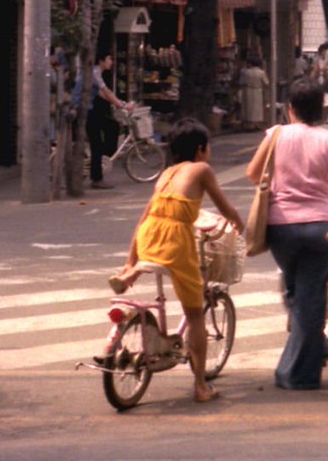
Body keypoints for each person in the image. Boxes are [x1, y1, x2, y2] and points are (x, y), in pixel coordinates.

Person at [110, 118, 245, 402]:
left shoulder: (167, 173)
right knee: (196, 316)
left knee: (152, 261)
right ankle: (200, 386)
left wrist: (128, 260)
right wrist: (241, 225)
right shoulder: (202, 169)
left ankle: (130, 274)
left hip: (149, 237)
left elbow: (146, 216)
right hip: (175, 241)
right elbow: (224, 205)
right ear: (200, 149)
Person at [244, 79, 328, 391]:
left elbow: (253, 173)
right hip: (321, 224)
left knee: (297, 291)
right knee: (309, 296)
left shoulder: (276, 134)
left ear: (290, 109)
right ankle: (302, 372)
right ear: (322, 108)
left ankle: (304, 357)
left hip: (281, 226)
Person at [72, 51, 132, 190]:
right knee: (101, 139)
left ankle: (101, 160)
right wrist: (122, 105)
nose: (111, 61)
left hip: (86, 109)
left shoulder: (93, 73)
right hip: (84, 110)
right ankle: (97, 177)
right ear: (101, 61)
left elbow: (102, 93)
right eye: (109, 58)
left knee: (109, 128)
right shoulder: (94, 73)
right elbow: (106, 92)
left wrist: (119, 102)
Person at [237, 56, 270, 130]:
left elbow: (241, 82)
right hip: (258, 91)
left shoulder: (246, 72)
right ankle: (256, 124)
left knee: (248, 108)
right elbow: (266, 83)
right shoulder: (261, 72)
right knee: (257, 109)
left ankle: (248, 125)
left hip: (247, 91)